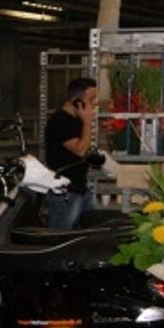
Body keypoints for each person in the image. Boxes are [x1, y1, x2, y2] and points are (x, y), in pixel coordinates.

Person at [43, 77, 99, 229]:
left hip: (80, 187)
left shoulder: (77, 120)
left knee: (87, 232)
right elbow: (80, 150)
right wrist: (88, 123)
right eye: (91, 99)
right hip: (65, 192)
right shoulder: (60, 121)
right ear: (76, 100)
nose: (94, 103)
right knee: (62, 236)